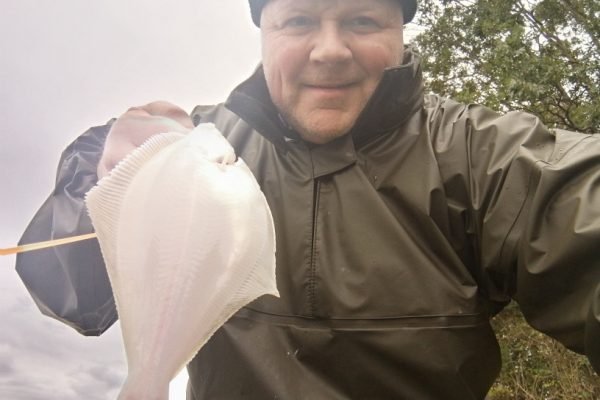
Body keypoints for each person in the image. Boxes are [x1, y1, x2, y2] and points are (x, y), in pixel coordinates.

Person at [16, 0, 600, 398]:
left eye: (362, 19)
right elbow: (70, 294)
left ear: (400, 29)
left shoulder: (480, 158)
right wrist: (98, 169)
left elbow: (575, 206)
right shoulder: (192, 151)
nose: (329, 50)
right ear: (265, 34)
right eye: (298, 20)